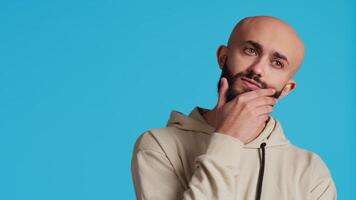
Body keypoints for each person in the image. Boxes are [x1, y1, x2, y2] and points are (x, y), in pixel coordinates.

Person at [131, 16, 337, 200]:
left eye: (276, 63)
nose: (257, 69)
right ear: (223, 57)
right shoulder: (159, 145)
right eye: (250, 50)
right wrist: (227, 139)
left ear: (287, 89)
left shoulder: (310, 171)